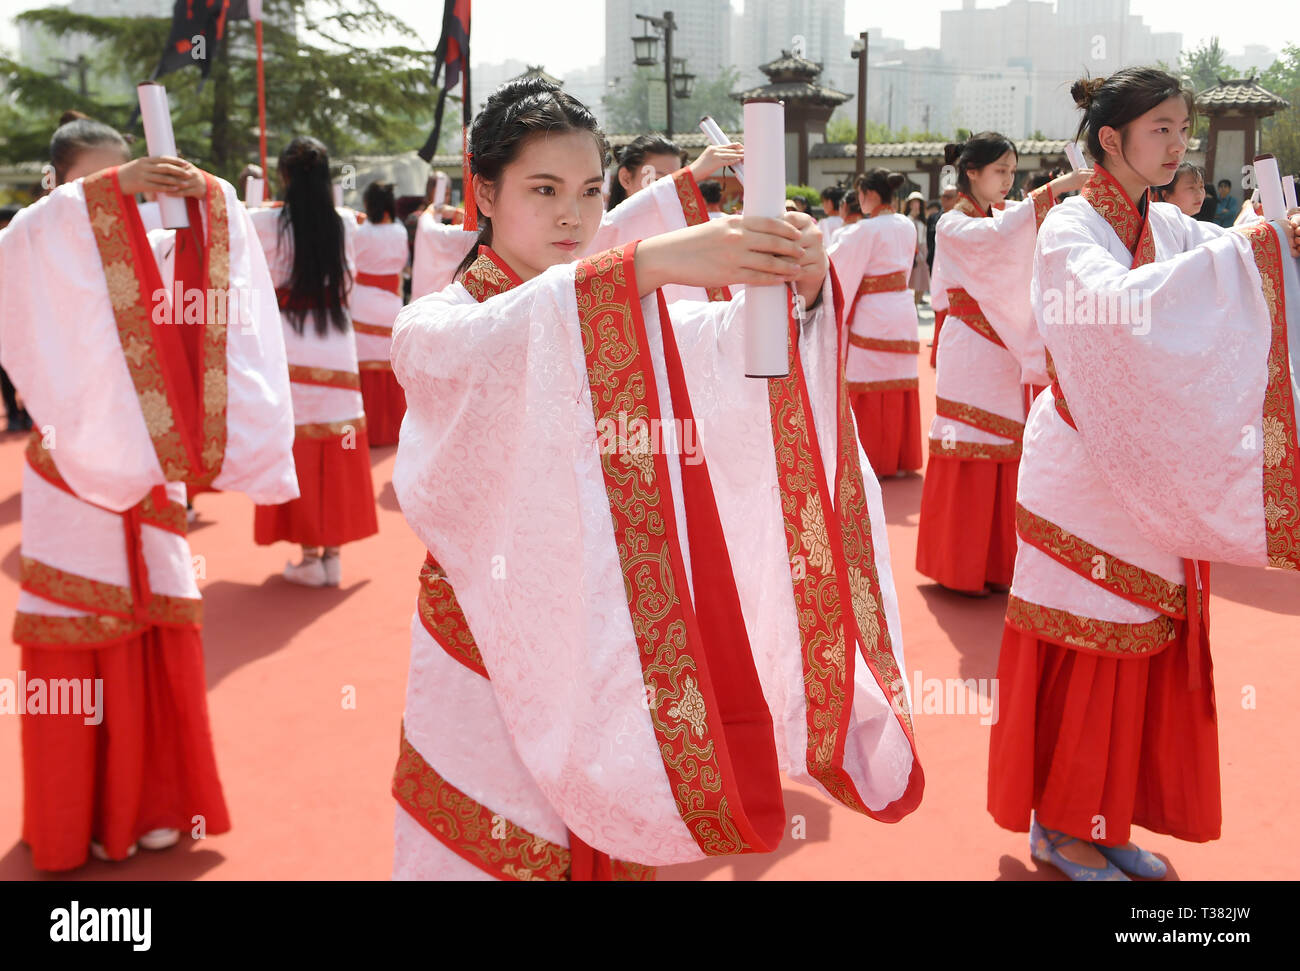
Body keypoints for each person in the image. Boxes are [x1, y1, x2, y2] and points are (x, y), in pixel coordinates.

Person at [390, 77, 921, 881]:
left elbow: (722, 354)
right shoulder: (437, 325)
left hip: (608, 633)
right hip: (486, 637)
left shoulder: (623, 307)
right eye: (544, 189)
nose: (573, 214)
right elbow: (503, 343)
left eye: (589, 191)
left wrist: (802, 286)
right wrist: (643, 265)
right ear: (485, 193)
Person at [989, 66, 1300, 881]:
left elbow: (1225, 259)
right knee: (1090, 652)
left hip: (1143, 477)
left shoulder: (1161, 224)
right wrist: (1254, 254)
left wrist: (1270, 240)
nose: (1176, 143)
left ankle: (1101, 817)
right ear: (1110, 139)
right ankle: (1059, 828)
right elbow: (1121, 314)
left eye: (1180, 129)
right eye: (1160, 128)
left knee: (1137, 655)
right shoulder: (1068, 230)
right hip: (1087, 479)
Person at [0, 118, 297, 870]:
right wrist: (109, 190)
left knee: (155, 626)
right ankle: (80, 815)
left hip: (148, 471)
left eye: (126, 180)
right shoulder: (34, 244)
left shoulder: (150, 254)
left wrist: (209, 195)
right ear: (58, 188)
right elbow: (18, 250)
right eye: (94, 184)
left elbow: (212, 264)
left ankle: (156, 801)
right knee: (86, 632)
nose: (118, 198)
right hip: (69, 472)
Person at [917, 133, 1090, 595]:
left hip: (1000, 350)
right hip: (972, 348)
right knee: (972, 446)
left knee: (1006, 451)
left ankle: (994, 564)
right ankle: (958, 565)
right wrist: (1055, 189)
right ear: (971, 172)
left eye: (1013, 172)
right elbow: (998, 236)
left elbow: (1018, 226)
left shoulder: (1003, 215)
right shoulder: (952, 223)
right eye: (1000, 171)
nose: (1007, 181)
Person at [250, 136, 379, 586]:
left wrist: (253, 193)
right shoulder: (344, 222)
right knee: (336, 446)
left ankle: (309, 557)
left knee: (299, 446)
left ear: (284, 176)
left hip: (289, 347)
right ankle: (332, 554)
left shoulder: (265, 222)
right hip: (336, 345)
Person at [829, 169, 923, 478]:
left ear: (869, 195)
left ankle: (870, 460)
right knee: (899, 383)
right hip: (902, 308)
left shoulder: (864, 231)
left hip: (873, 314)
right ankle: (898, 458)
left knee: (865, 382)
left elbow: (836, 269)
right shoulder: (908, 225)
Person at [352, 180, 410, 446]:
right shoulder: (400, 231)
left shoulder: (359, 232)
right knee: (388, 362)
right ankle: (392, 427)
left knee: (363, 362)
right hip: (390, 304)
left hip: (362, 302)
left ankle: (366, 427)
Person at [927, 186, 960, 366]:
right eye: (943, 196)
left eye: (948, 196)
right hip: (943, 272)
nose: (944, 200)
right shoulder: (938, 219)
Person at [904, 190, 930, 306]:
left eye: (917, 202)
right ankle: (912, 306)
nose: (916, 205)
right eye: (913, 202)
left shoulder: (923, 220)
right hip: (912, 251)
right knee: (911, 280)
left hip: (923, 250)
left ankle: (917, 302)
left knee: (922, 281)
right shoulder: (907, 219)